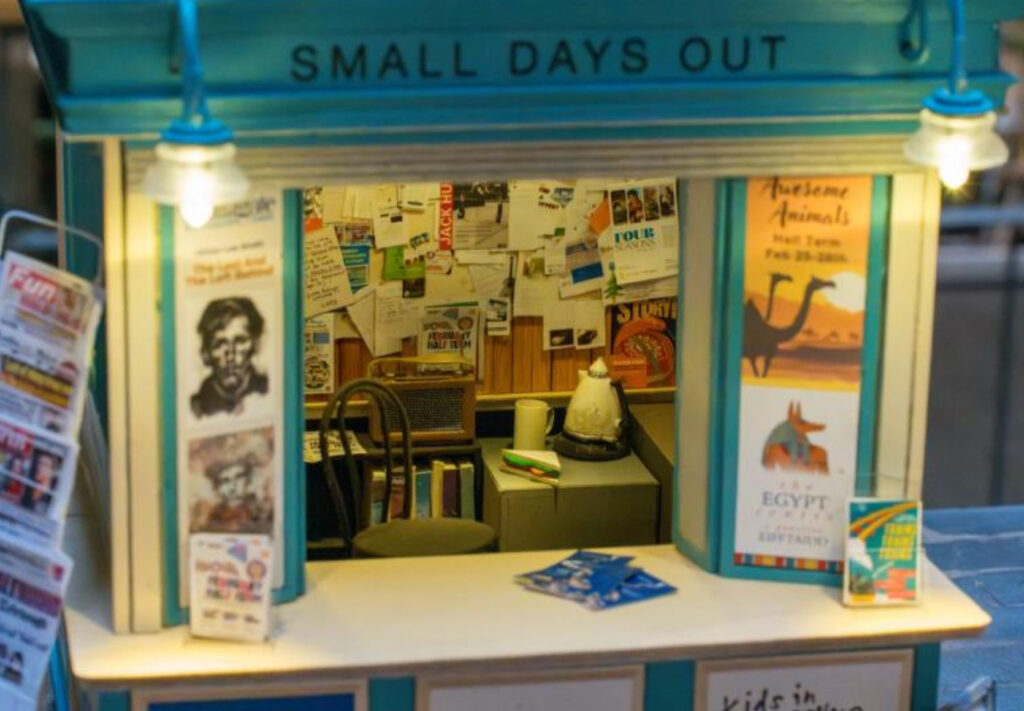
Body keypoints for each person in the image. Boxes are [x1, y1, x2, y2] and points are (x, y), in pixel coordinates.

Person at [191, 297, 268, 418]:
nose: (230, 355)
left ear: (255, 344)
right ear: (206, 352)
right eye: (220, 344)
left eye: (240, 341)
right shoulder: (198, 406)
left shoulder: (268, 391)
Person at [194, 457, 272, 534]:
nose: (232, 486)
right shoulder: (211, 516)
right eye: (225, 481)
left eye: (238, 478)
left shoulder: (261, 513)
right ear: (217, 488)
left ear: (248, 481)